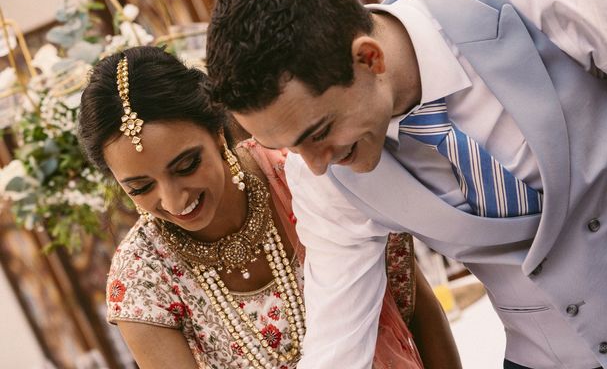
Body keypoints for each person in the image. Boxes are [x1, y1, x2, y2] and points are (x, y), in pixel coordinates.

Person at [205, 0, 607, 369]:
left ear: (369, 58)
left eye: (319, 131)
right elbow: (337, 336)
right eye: (289, 147)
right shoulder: (321, 179)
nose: (314, 163)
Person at [76, 46, 460, 369]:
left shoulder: (308, 175)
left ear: (215, 130)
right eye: (141, 187)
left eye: (187, 165)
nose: (174, 200)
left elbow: (418, 311)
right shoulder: (143, 278)